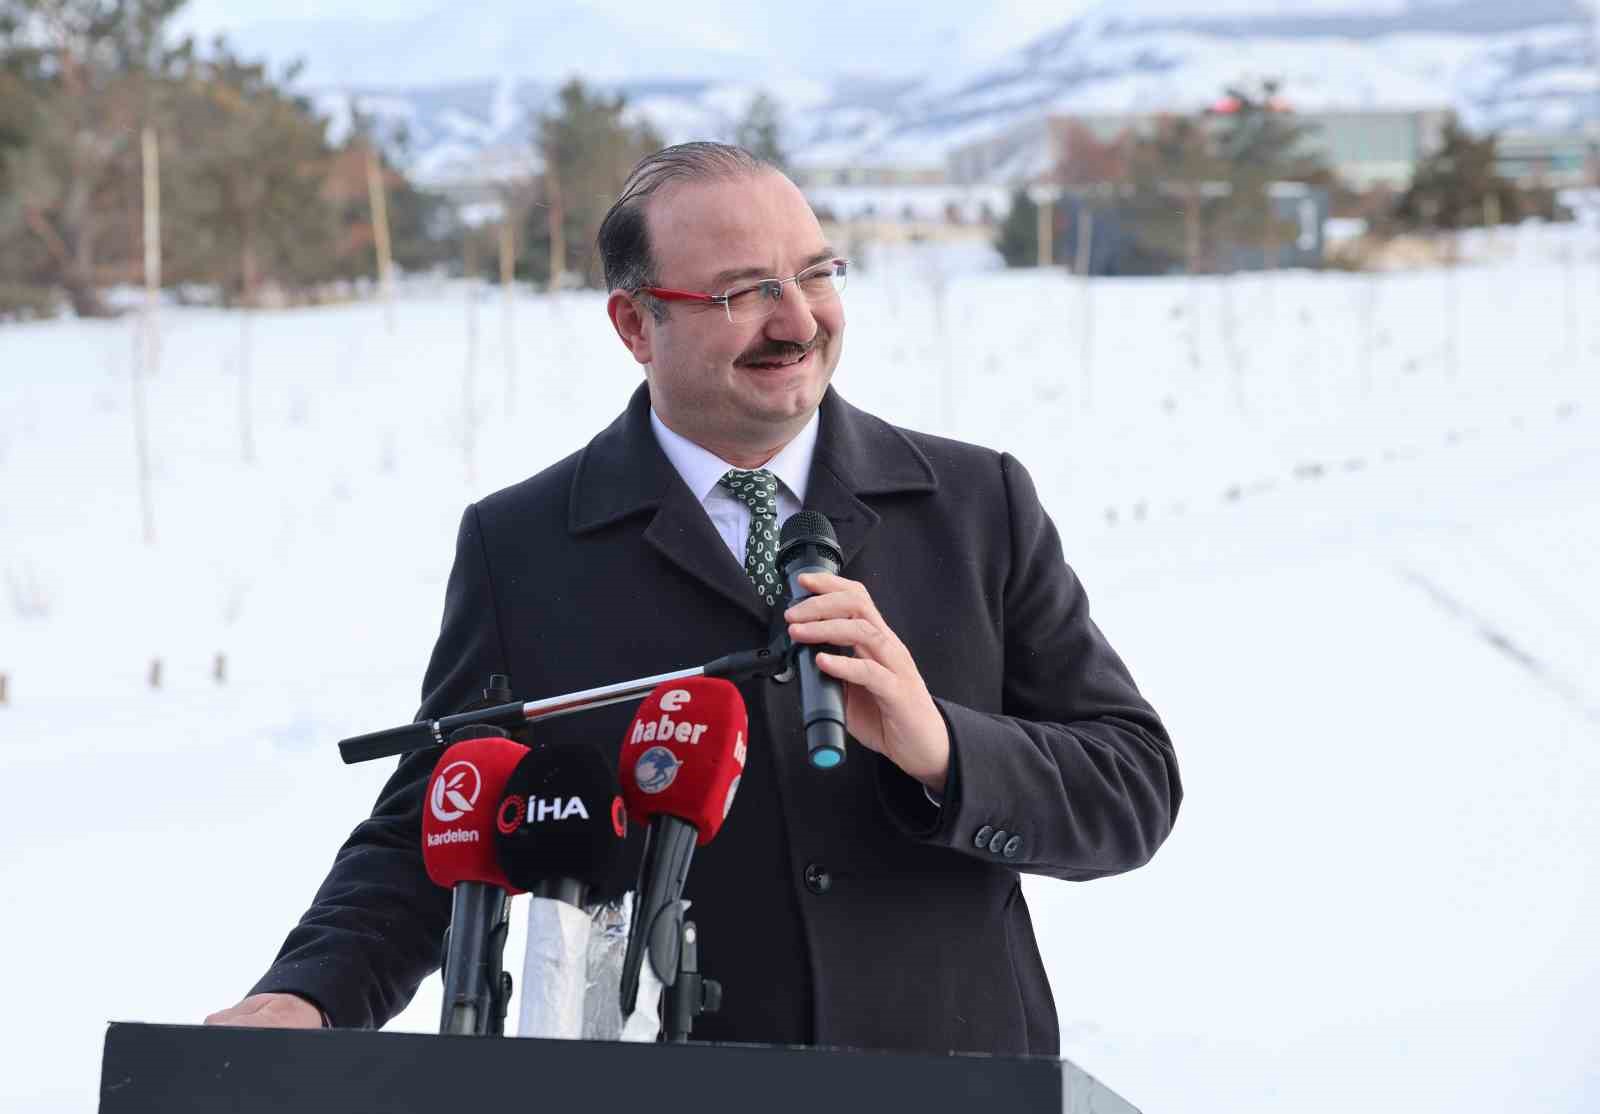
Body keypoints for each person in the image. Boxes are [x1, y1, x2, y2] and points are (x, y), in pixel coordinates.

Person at [207, 142, 1181, 1053]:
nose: (796, 320)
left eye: (813, 274)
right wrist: (312, 990)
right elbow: (441, 813)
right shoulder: (525, 545)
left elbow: (1129, 785)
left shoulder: (975, 503)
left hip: (956, 1082)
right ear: (636, 322)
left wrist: (940, 747)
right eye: (740, 292)